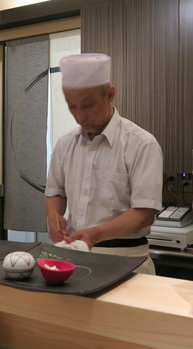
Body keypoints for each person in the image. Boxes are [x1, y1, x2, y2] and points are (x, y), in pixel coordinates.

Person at [45, 53, 163, 274]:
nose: (80, 116)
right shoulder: (65, 144)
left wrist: (95, 234)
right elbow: (55, 192)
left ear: (110, 95)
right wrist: (54, 217)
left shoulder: (141, 143)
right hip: (76, 257)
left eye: (87, 105)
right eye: (72, 106)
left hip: (127, 260)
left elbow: (145, 212)